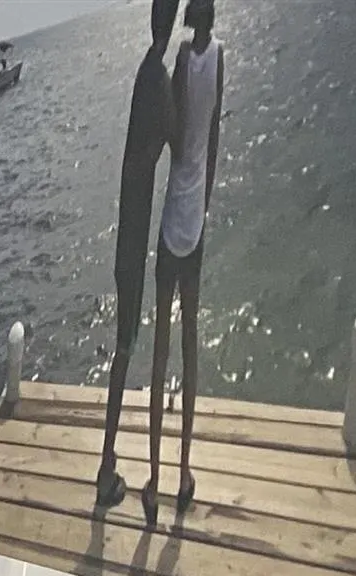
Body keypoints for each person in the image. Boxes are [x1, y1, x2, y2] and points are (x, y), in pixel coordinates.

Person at [96, 0, 182, 510]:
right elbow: (176, 135)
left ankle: (107, 464)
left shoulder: (144, 73)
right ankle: (106, 468)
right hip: (132, 241)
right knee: (125, 349)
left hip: (129, 234)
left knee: (122, 348)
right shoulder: (157, 75)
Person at [148, 0, 225, 519]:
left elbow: (174, 135)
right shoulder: (220, 57)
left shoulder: (179, 55)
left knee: (160, 347)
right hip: (195, 214)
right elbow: (210, 135)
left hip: (174, 204)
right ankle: (183, 471)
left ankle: (152, 476)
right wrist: (208, 196)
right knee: (192, 344)